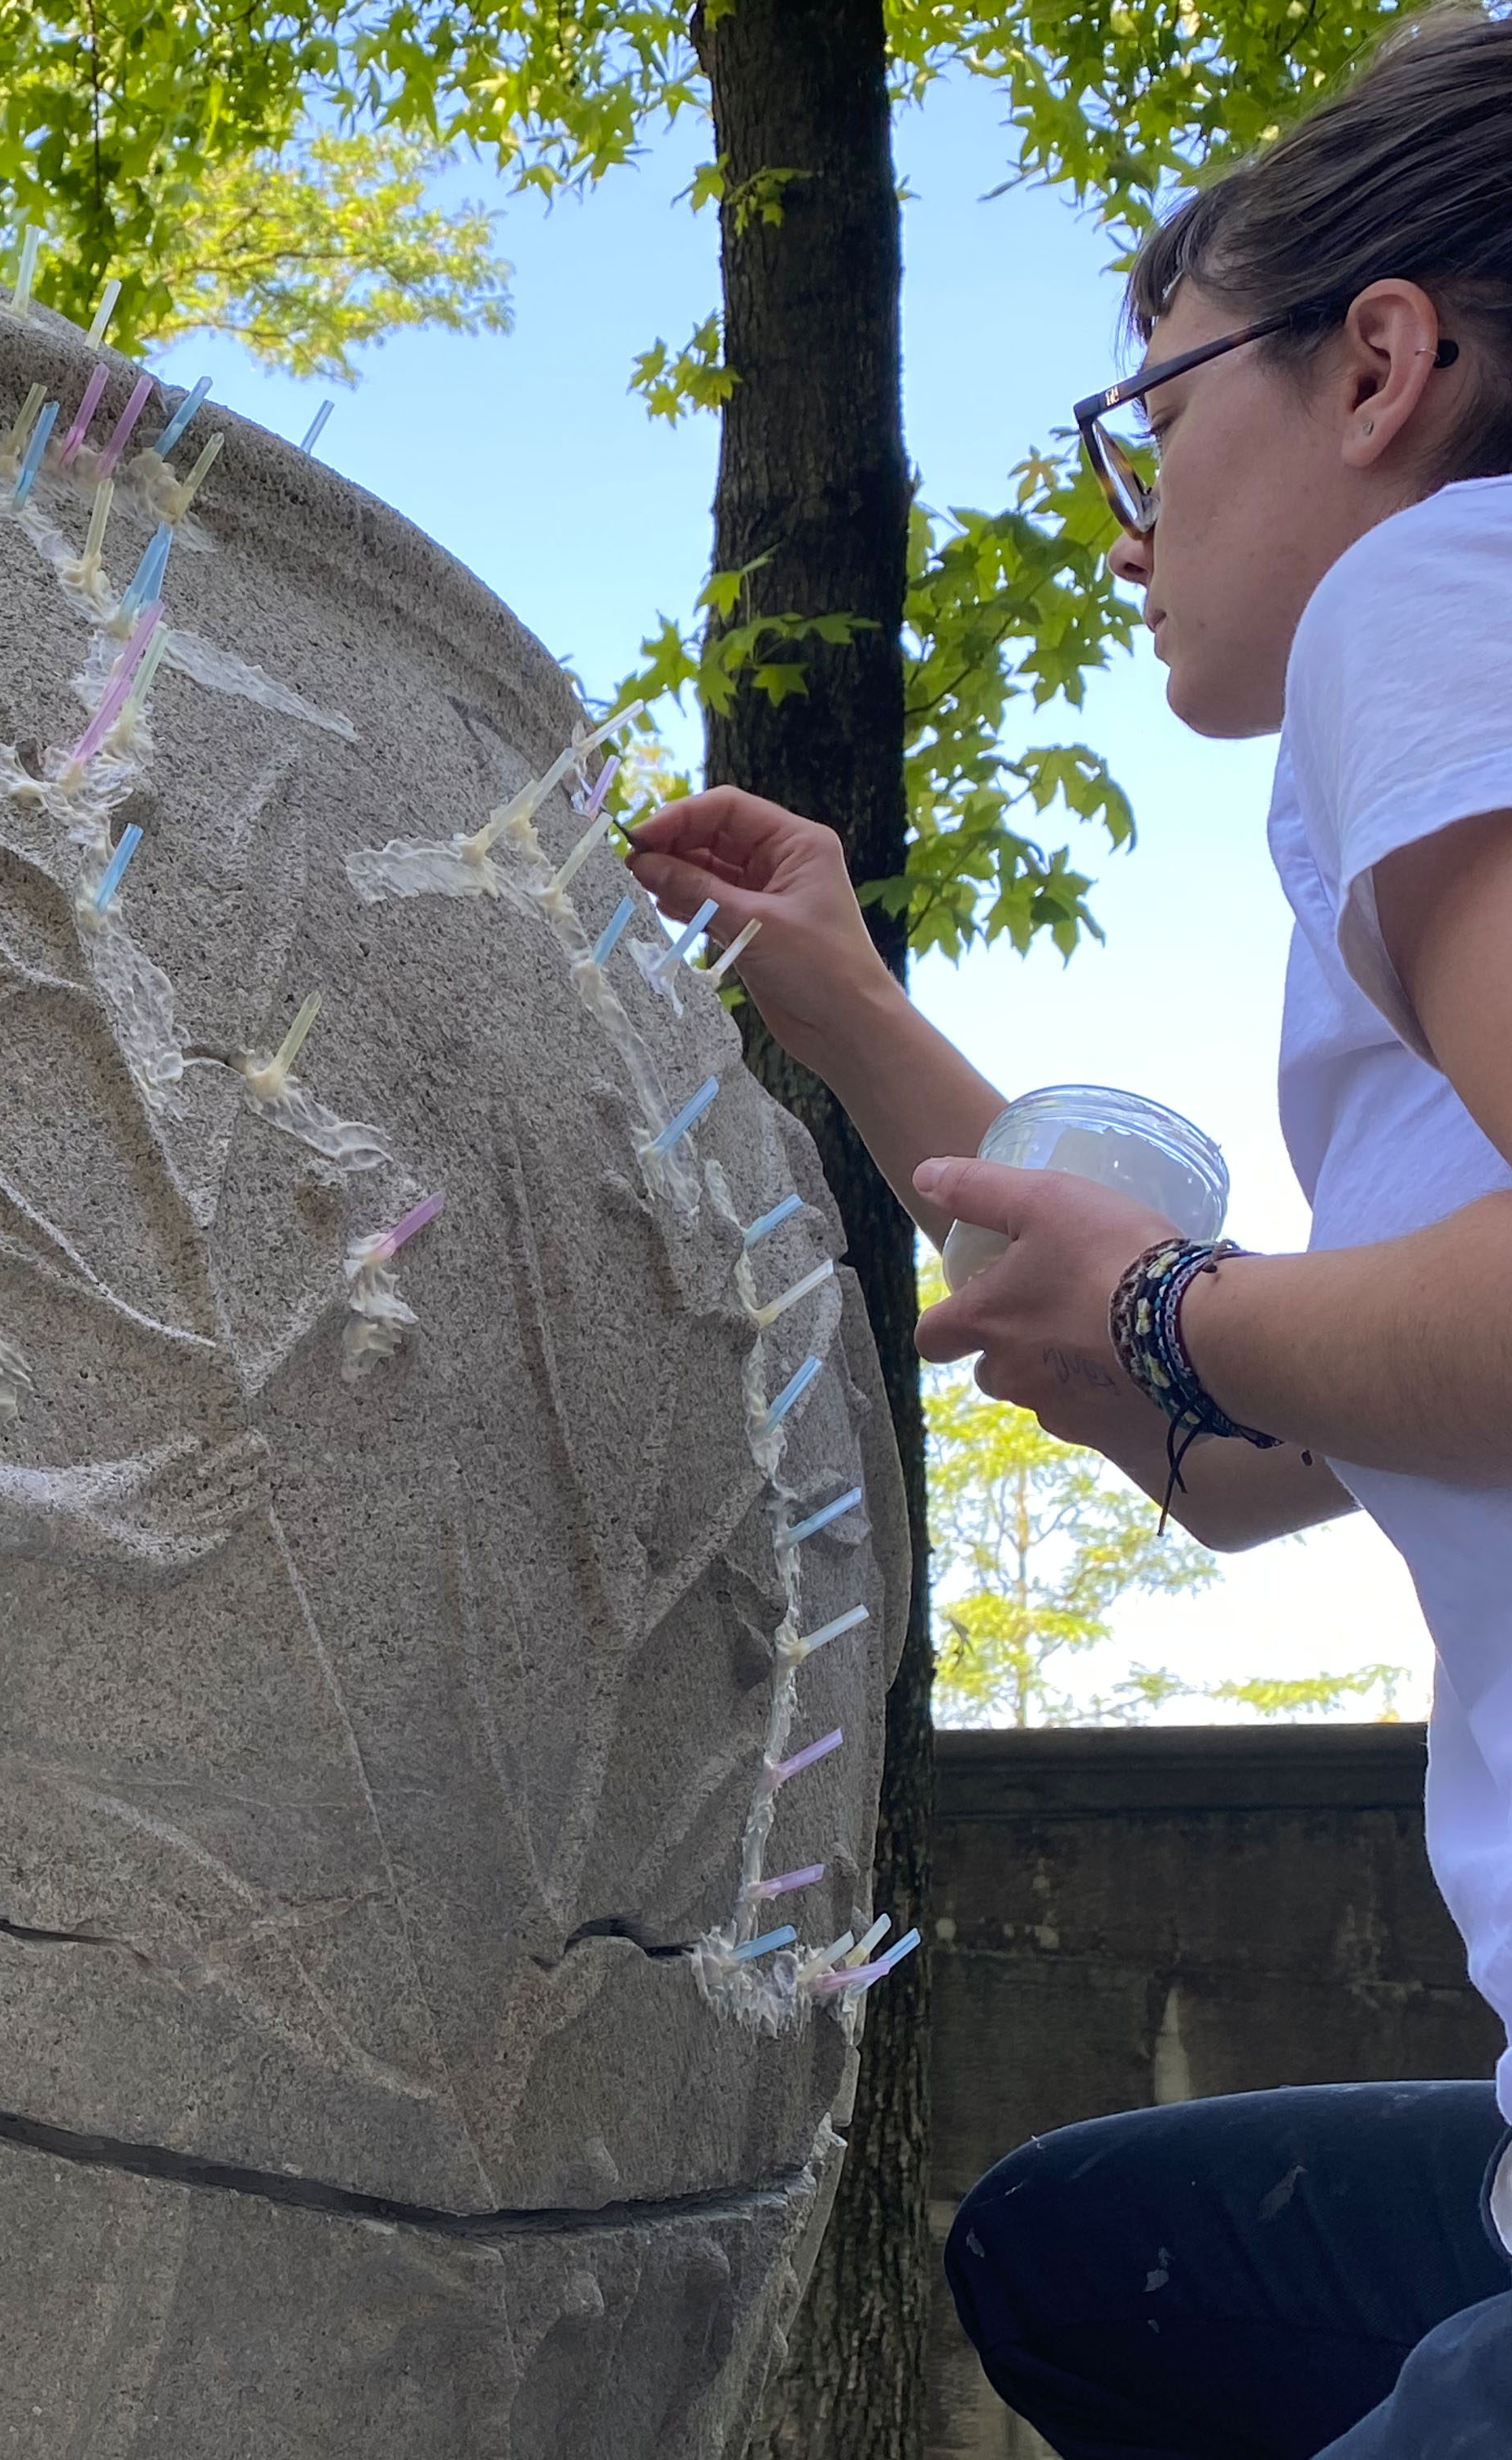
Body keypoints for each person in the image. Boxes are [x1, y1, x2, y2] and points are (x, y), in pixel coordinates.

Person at [623, 13, 1512, 2454]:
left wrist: (1157, 1295)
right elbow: (1246, 1458)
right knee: (1084, 2258)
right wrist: (852, 1009)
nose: (1127, 520)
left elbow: (1204, 1337)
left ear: (1383, 366)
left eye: (1156, 408)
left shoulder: (1434, 586)